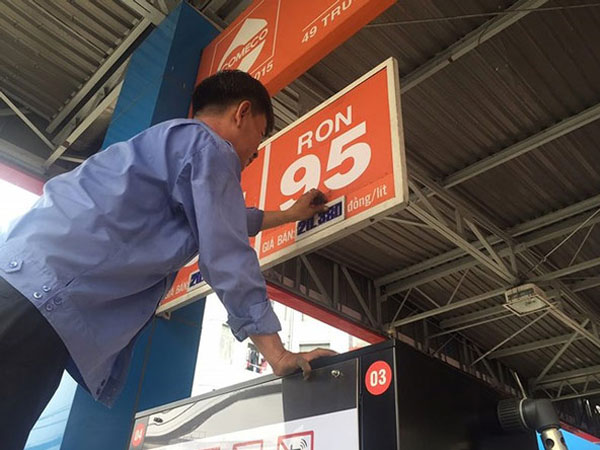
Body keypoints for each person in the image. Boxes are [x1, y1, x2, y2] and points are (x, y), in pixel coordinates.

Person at [0, 70, 335, 449]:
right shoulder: (210, 147)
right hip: (40, 307)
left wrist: (289, 215)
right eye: (257, 142)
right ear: (241, 113)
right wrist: (277, 354)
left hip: (19, 286)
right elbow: (226, 252)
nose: (251, 158)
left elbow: (225, 217)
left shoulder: (164, 145)